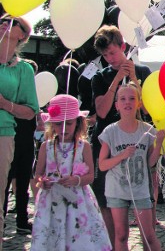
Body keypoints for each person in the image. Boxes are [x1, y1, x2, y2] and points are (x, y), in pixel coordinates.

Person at [91, 25, 151, 243]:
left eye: (113, 53)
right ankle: (112, 244)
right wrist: (116, 80)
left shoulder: (143, 72)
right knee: (107, 201)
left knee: (143, 200)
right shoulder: (99, 77)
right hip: (108, 145)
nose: (109, 58)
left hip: (137, 145)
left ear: (123, 47)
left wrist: (134, 79)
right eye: (105, 55)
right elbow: (102, 111)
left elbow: (149, 110)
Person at [31, 94, 111, 250]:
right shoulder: (45, 147)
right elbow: (38, 174)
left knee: (78, 238)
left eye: (68, 124)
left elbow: (89, 177)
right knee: (52, 237)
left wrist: (77, 180)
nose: (63, 128)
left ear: (77, 123)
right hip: (52, 201)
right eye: (58, 124)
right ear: (52, 124)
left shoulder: (83, 146)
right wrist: (43, 182)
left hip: (78, 201)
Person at [98, 82, 165, 251]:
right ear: (117, 105)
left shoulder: (147, 130)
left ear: (138, 103)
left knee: (148, 234)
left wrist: (159, 145)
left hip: (140, 190)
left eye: (132, 98)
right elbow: (102, 165)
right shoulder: (110, 132)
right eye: (123, 99)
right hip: (116, 191)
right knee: (121, 235)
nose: (127, 102)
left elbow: (150, 162)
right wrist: (121, 155)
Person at [0, 16, 38, 247]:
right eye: (4, 19)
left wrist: (5, 104)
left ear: (22, 35)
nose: (5, 22)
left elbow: (30, 111)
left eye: (13, 22)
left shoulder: (23, 69)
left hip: (3, 133)